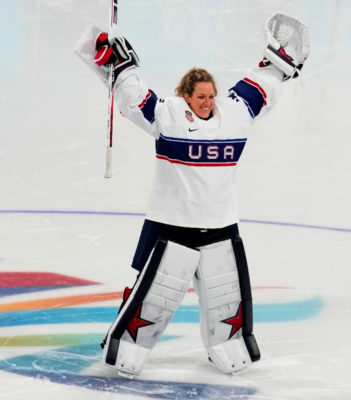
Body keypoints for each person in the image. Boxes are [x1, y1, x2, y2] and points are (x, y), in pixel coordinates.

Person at [75, 13, 309, 378]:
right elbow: (134, 99)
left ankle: (226, 345)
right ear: (186, 96)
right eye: (200, 96)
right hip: (171, 223)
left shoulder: (236, 112)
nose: (207, 102)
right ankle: (128, 346)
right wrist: (117, 67)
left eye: (211, 96)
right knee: (152, 300)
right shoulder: (168, 116)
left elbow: (266, 82)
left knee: (226, 301)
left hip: (220, 224)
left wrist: (279, 63)